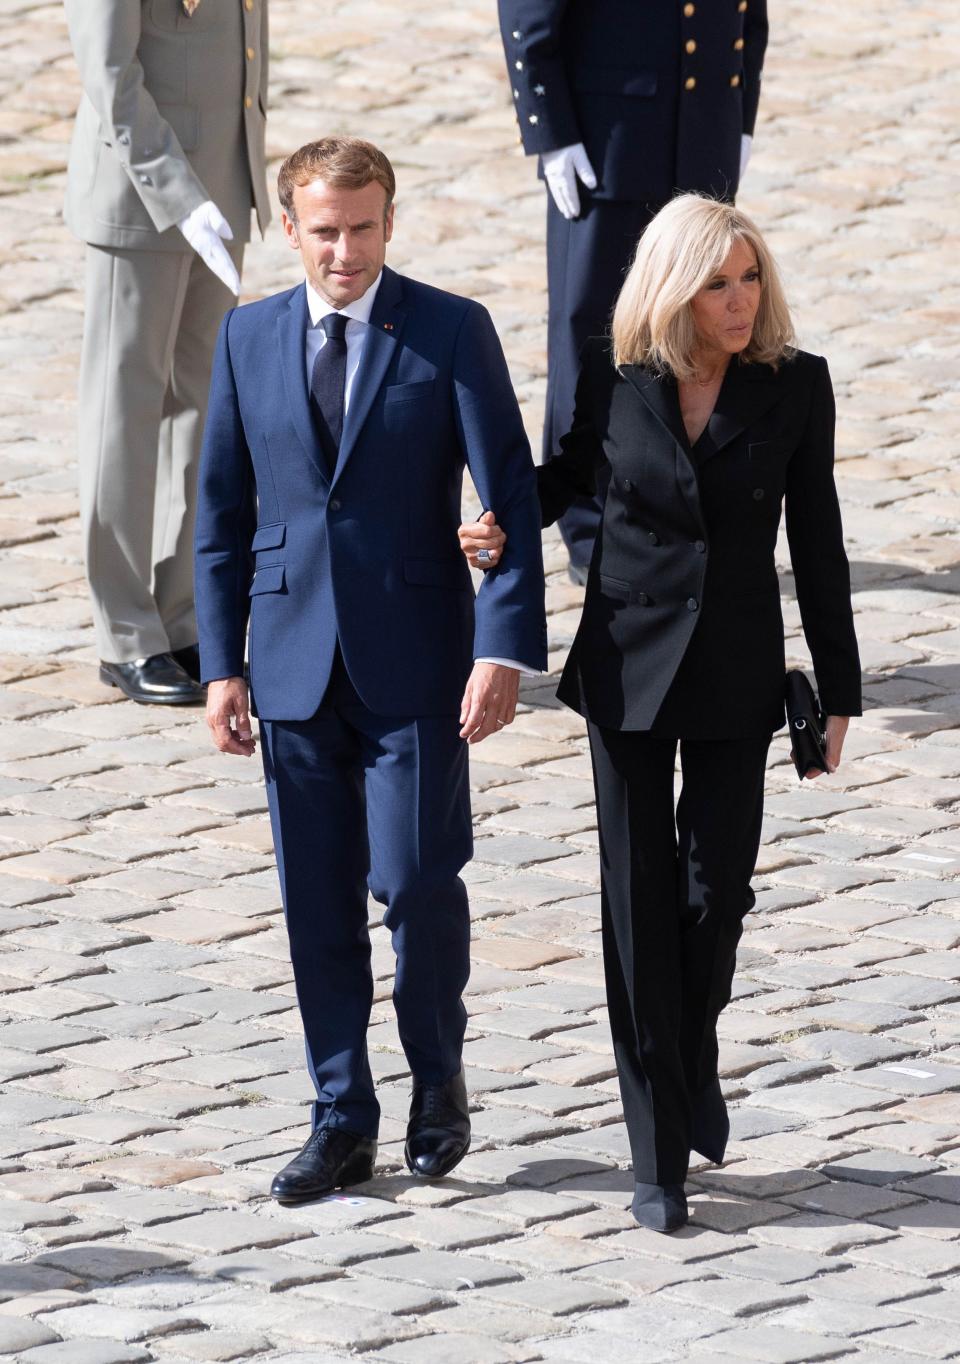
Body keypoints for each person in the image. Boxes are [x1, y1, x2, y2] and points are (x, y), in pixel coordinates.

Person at [459, 195, 861, 1232]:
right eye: (718, 282)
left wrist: (841, 690)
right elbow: (567, 477)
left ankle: (693, 1051)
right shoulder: (619, 379)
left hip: (735, 669)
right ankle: (657, 1152)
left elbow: (816, 537)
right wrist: (494, 524)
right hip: (626, 668)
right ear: (674, 288)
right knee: (636, 904)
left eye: (751, 277)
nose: (740, 300)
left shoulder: (795, 385)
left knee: (714, 893)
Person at [194, 137, 547, 1205]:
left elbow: (510, 500)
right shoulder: (247, 336)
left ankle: (437, 1073)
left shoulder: (448, 329)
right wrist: (222, 664)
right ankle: (340, 1113)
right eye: (323, 229)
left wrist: (501, 646)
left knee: (418, 881)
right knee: (315, 903)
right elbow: (220, 514)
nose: (343, 250)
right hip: (292, 664)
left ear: (390, 223)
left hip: (419, 661)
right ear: (290, 228)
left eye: (361, 227)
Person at [497, 0, 768, 582]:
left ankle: (679, 509)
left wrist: (739, 108)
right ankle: (590, 519)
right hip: (608, 136)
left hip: (704, 123)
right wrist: (550, 127)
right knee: (595, 326)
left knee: (702, 321)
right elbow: (528, 14)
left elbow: (749, 14)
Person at [64, 0, 270, 704]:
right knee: (123, 412)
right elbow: (109, 70)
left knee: (204, 405)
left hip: (221, 189)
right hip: (143, 192)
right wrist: (177, 192)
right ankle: (125, 635)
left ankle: (182, 615)